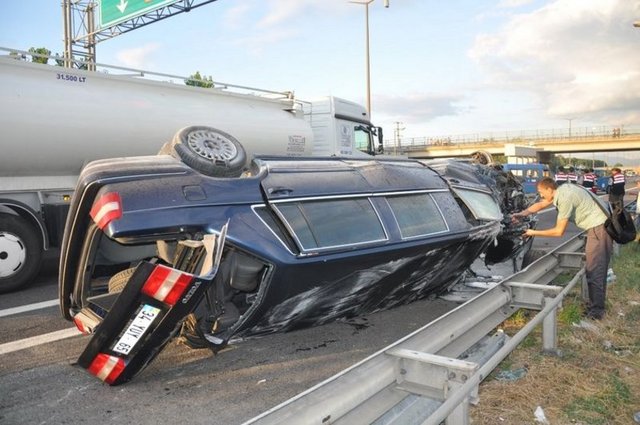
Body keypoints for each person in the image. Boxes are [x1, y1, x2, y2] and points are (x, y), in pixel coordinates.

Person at [512, 177, 613, 319]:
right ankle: (595, 307)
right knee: (594, 269)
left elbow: (558, 231)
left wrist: (532, 232)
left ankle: (596, 312)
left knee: (595, 270)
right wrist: (522, 214)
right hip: (598, 227)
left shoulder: (565, 198)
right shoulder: (562, 189)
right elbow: (541, 204)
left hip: (599, 229)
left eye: (541, 192)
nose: (540, 195)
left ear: (549, 189)